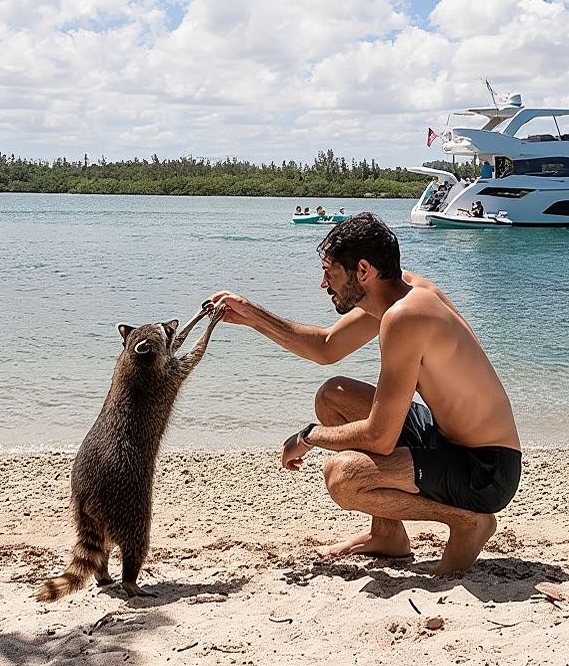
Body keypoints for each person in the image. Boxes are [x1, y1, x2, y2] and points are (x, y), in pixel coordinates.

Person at [209, 214, 521, 574]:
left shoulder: (405, 316)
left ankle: (468, 522)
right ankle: (387, 536)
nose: (323, 283)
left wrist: (309, 437)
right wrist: (252, 316)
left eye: (331, 272)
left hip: (485, 468)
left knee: (343, 478)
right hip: (447, 439)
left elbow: (379, 437)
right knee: (334, 395)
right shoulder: (399, 293)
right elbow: (326, 347)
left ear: (363, 271)